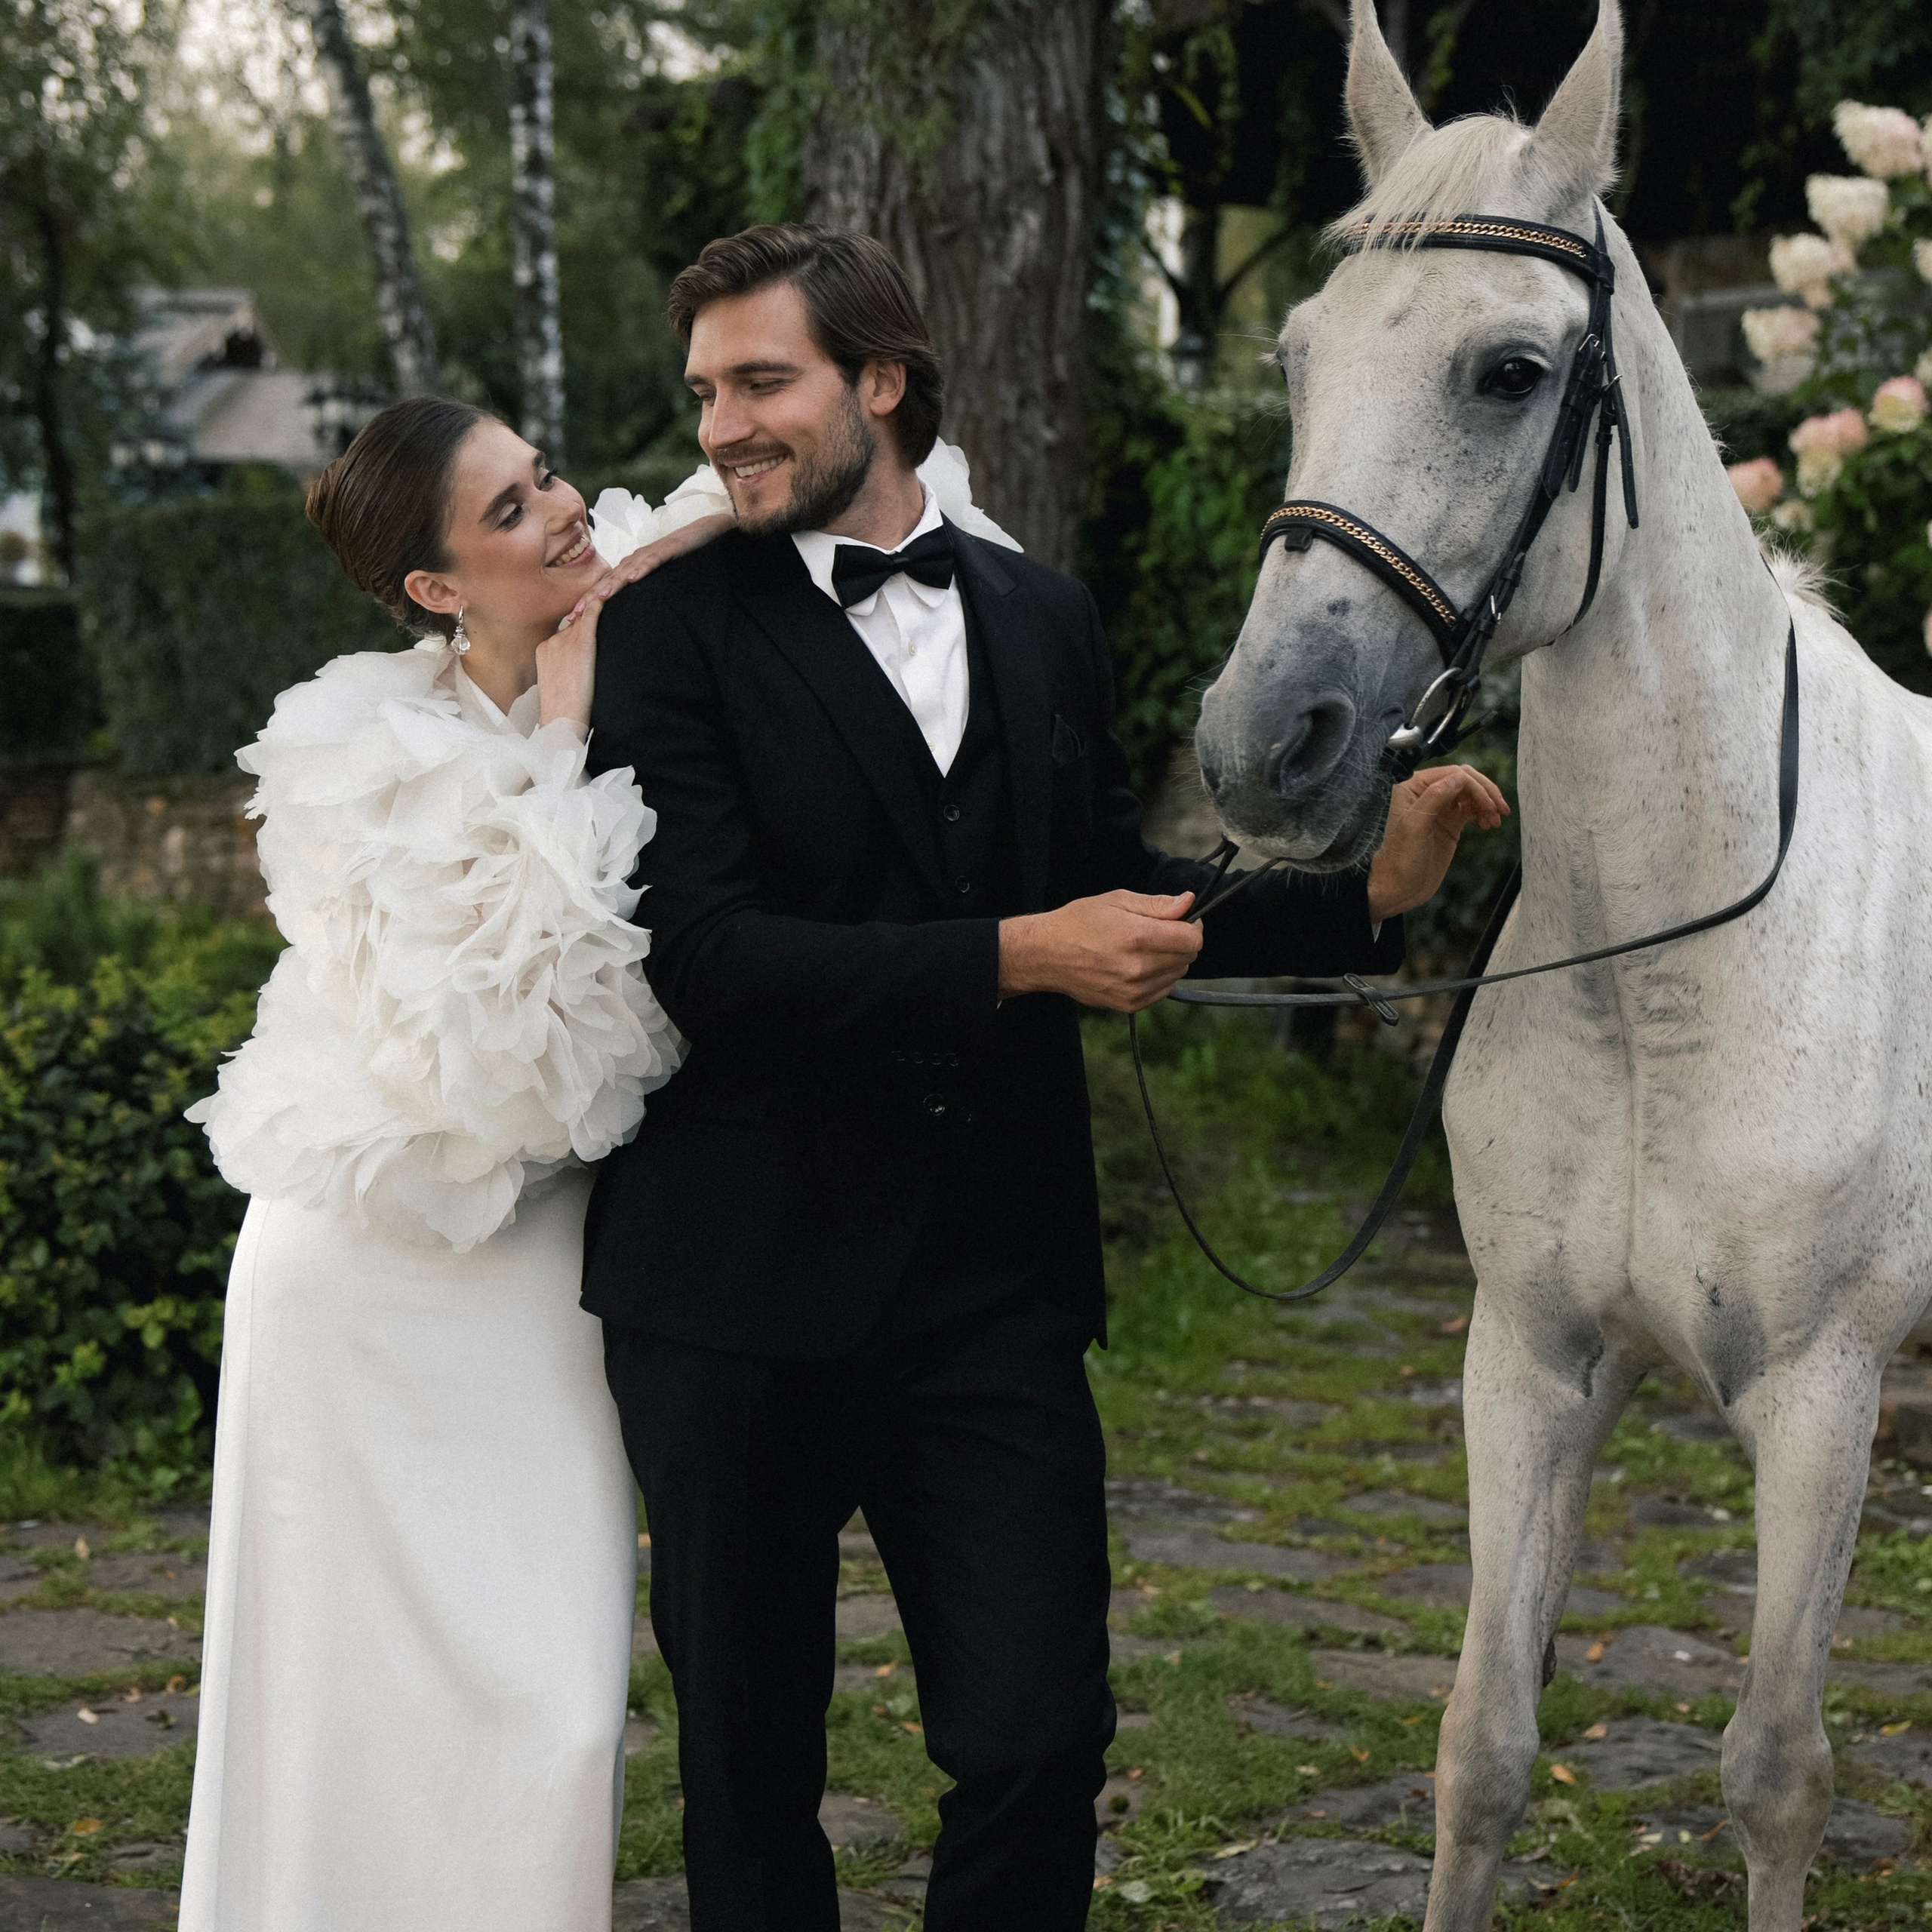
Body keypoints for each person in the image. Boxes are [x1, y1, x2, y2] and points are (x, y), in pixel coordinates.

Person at [583, 223, 1507, 1932]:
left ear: (880, 381)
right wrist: (1017, 956)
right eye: (704, 391)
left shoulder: (1042, 612)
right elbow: (703, 956)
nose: (720, 426)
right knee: (747, 1773)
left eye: (761, 381)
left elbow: (1107, 888)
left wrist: (1365, 893)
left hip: (991, 1287)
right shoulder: (665, 630)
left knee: (1036, 1738)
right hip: (733, 1292)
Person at [177, 396, 721, 1931]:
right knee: (342, 1696)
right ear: (434, 587)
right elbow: (509, 1061)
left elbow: (771, 491)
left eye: (544, 473)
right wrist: (561, 736)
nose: (561, 509)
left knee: (554, 1705)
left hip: (543, 1277)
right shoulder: (366, 760)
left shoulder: (608, 569)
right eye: (509, 511)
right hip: (367, 1274)